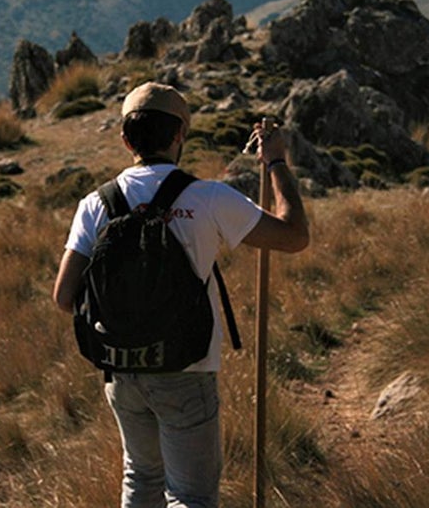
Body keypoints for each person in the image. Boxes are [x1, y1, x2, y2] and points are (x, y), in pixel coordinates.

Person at [53, 82, 309, 508]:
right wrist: (277, 162)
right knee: (190, 495)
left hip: (122, 371)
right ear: (179, 136)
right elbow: (294, 235)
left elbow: (64, 297)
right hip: (186, 369)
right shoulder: (207, 197)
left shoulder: (96, 204)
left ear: (125, 139)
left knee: (141, 479)